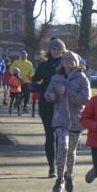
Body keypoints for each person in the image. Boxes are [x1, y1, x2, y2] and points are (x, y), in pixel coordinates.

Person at [46, 51, 91, 192]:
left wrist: (68, 92)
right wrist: (51, 96)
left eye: (72, 59)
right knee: (62, 146)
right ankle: (59, 179)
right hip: (60, 118)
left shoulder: (82, 78)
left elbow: (85, 99)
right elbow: (47, 94)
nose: (68, 61)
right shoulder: (56, 78)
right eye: (66, 59)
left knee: (71, 151)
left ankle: (69, 175)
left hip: (76, 119)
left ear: (77, 63)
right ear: (62, 62)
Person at [33, 38, 67, 177]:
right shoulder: (43, 66)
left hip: (63, 105)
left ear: (63, 51)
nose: (57, 51)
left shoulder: (67, 65)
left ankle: (60, 165)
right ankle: (51, 167)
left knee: (61, 136)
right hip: (46, 104)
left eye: (59, 49)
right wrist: (44, 89)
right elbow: (34, 83)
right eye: (54, 49)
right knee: (50, 135)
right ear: (50, 51)